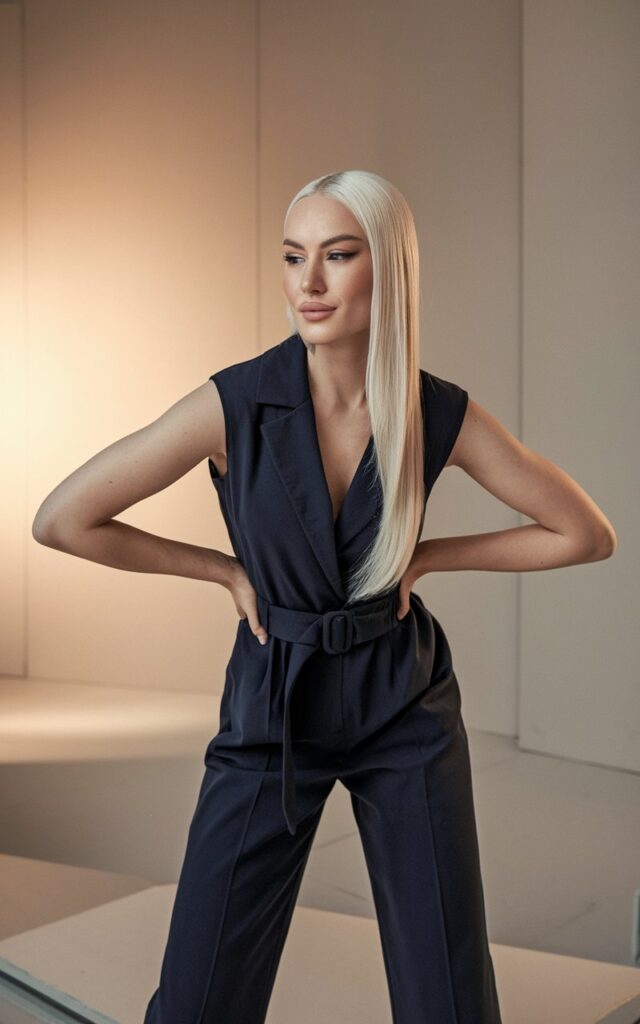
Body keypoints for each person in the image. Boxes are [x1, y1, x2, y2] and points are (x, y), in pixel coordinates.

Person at [33, 169, 617, 1024]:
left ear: (388, 269)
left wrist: (424, 559)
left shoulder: (433, 410)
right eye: (293, 256)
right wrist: (225, 572)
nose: (308, 283)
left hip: (403, 704)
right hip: (275, 701)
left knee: (448, 1000)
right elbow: (63, 519)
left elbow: (584, 533)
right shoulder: (233, 403)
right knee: (199, 1000)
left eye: (337, 256)